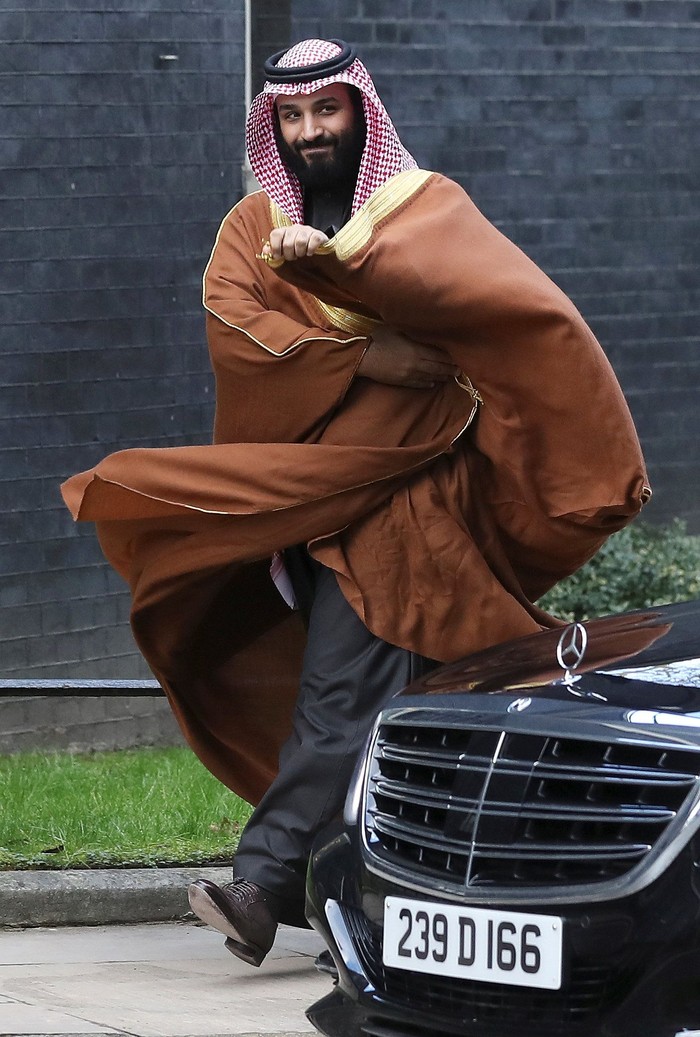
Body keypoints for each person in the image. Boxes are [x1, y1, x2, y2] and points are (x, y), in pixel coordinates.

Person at [61, 39, 651, 970]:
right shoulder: (250, 230)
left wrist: (345, 274)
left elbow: (490, 308)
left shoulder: (426, 209)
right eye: (290, 118)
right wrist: (359, 350)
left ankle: (263, 885)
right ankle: (380, 898)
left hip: (409, 503)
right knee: (415, 706)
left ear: (361, 112)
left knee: (349, 690)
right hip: (304, 502)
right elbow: (236, 326)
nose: (308, 133)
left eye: (324, 113)